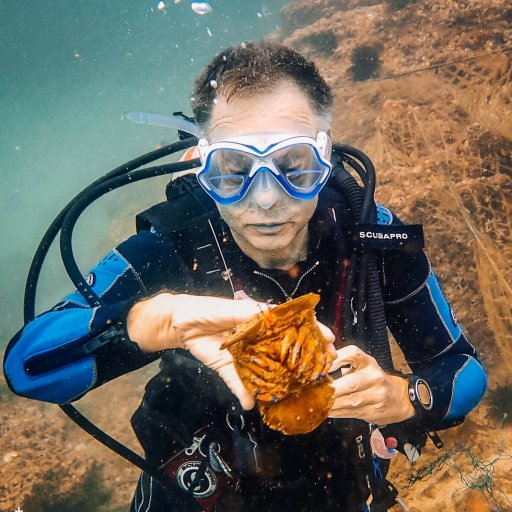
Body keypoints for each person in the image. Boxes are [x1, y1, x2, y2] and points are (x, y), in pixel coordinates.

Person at [3, 41, 487, 511]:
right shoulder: (174, 243)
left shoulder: (373, 237)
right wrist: (155, 322)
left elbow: (463, 368)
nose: (266, 201)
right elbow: (27, 368)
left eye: (293, 167)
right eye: (233, 171)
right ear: (202, 165)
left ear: (325, 158)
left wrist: (406, 398)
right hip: (194, 496)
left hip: (343, 490)